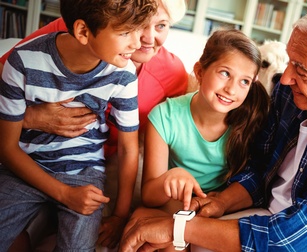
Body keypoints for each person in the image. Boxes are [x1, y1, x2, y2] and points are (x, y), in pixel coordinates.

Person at [119, 2, 307, 252]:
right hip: (275, 217)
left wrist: (177, 227)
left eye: (300, 69)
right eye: (290, 61)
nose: (284, 78)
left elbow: (294, 236)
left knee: (177, 234)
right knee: (164, 239)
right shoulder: (293, 93)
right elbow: (260, 169)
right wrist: (219, 202)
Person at [1, 0, 190, 249]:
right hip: (29, 161)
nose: (142, 39)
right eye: (134, 27)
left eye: (161, 26)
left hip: (86, 167)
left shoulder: (140, 73)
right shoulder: (81, 22)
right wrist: (29, 118)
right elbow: (7, 140)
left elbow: (132, 147)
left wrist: (120, 216)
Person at [128, 28, 270, 251]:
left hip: (220, 207)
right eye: (225, 73)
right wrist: (170, 178)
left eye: (244, 81)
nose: (232, 89)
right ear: (200, 71)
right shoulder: (164, 116)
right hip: (176, 203)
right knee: (139, 219)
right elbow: (148, 196)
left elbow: (252, 183)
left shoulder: (251, 121)